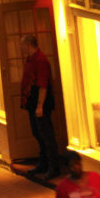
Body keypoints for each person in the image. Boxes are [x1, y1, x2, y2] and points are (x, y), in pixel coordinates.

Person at [20, 35, 59, 180]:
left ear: (28, 45)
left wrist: (40, 105)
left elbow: (43, 85)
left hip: (40, 103)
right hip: (32, 102)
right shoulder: (30, 59)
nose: (21, 48)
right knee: (37, 133)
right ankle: (43, 163)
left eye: (22, 45)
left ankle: (53, 166)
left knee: (46, 134)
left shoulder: (40, 61)